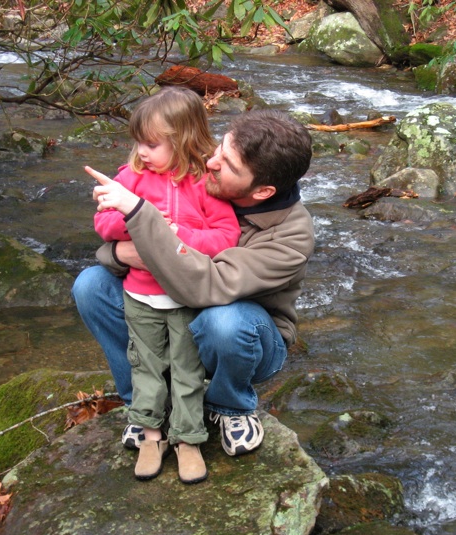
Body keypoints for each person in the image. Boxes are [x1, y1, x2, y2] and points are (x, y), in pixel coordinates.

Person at [74, 108, 314, 460]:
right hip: (169, 313)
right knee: (91, 285)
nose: (212, 162)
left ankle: (230, 405)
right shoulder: (195, 170)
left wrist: (141, 220)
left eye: (228, 165)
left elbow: (205, 287)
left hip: (245, 335)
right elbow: (119, 237)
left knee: (225, 321)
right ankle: (146, 404)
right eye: (220, 148)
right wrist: (118, 254)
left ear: (262, 191)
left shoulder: (291, 236)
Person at [89, 87, 240, 484]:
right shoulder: (132, 178)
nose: (141, 151)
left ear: (184, 140)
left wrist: (178, 236)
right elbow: (104, 225)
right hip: (140, 294)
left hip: (186, 298)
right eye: (138, 142)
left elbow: (226, 237)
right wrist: (135, 216)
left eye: (152, 144)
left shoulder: (204, 184)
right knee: (146, 366)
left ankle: (188, 438)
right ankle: (150, 435)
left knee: (187, 370)